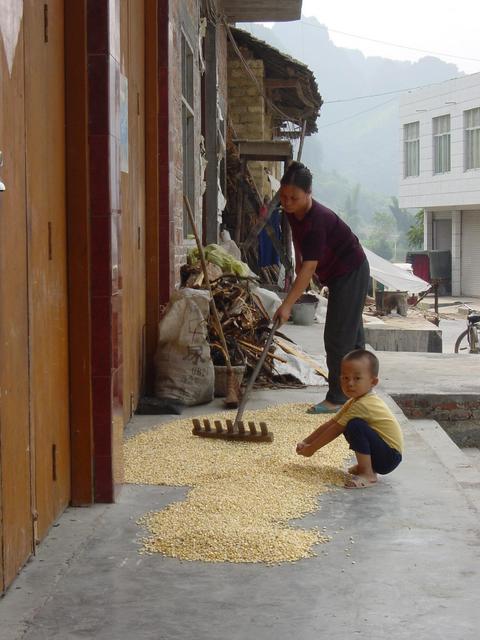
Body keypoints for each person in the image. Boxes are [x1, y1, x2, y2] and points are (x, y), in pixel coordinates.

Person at [273, 161, 369, 414]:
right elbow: (296, 238)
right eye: (283, 196)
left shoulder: (318, 220)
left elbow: (308, 272)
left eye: (294, 197)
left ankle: (338, 397)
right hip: (338, 273)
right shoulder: (293, 212)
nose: (287, 202)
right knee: (351, 336)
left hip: (351, 271)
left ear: (309, 193)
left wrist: (286, 306)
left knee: (338, 338)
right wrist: (300, 260)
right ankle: (361, 391)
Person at [296, 350, 403, 489]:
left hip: (389, 457)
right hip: (384, 454)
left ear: (373, 382)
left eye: (357, 378)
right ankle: (367, 466)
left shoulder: (365, 404)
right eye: (345, 378)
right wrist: (306, 442)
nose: (350, 383)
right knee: (350, 425)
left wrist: (312, 449)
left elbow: (334, 430)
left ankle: (368, 474)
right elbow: (331, 423)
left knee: (355, 426)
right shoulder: (354, 402)